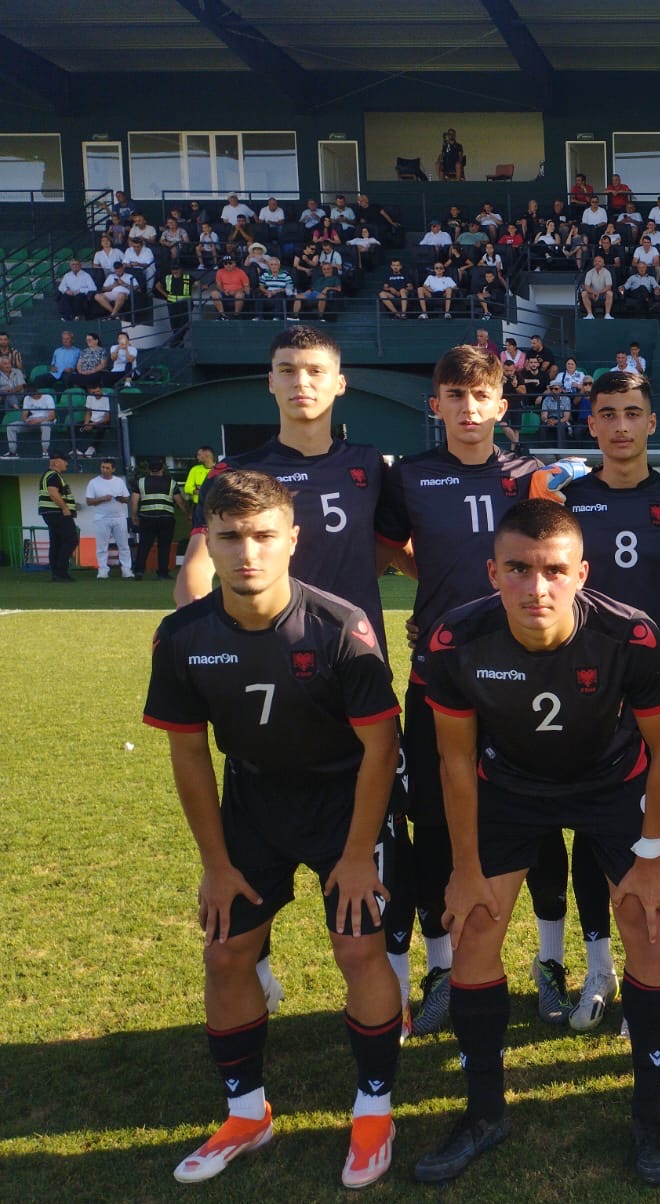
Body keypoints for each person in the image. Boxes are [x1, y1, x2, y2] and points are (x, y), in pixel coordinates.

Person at [413, 500, 660, 1186]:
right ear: (493, 571)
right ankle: (484, 1113)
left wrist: (652, 860)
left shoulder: (630, 635)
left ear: (581, 573)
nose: (537, 588)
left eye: (554, 570)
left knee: (648, 930)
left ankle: (650, 1111)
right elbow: (454, 760)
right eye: (518, 569)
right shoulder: (456, 639)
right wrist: (466, 868)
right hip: (508, 786)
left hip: (612, 783)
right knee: (476, 930)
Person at [144, 470, 403, 1188]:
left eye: (262, 536)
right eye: (229, 538)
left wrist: (357, 857)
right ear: (209, 544)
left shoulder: (338, 627)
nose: (246, 552)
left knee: (357, 949)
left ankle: (375, 1110)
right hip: (253, 802)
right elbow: (190, 753)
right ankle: (246, 1114)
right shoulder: (183, 636)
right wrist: (216, 863)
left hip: (343, 801)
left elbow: (381, 748)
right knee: (226, 954)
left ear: (292, 540)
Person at [177, 326, 410, 1014]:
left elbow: (396, 554)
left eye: (315, 371)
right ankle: (261, 964)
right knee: (257, 822)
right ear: (270, 383)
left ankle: (386, 980)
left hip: (352, 678)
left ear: (339, 384)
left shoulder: (371, 465)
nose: (301, 383)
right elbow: (194, 572)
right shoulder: (236, 474)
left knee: (375, 841)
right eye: (288, 370)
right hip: (263, 685)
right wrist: (199, 640)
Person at [374, 346, 586, 1041]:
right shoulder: (410, 477)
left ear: (502, 405)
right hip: (440, 674)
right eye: (454, 397)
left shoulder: (533, 479)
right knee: (435, 822)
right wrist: (432, 586)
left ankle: (549, 962)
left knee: (542, 814)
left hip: (526, 676)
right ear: (436, 406)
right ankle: (441, 968)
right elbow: (387, 552)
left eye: (481, 396)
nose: (468, 410)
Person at [558, 370, 660, 1033]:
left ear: (652, 423)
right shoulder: (568, 501)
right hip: (587, 693)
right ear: (590, 424)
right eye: (607, 414)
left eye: (632, 413)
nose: (620, 425)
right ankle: (599, 968)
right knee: (593, 830)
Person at [82, 457, 135, 579]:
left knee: (123, 545)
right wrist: (102, 498)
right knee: (102, 546)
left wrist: (119, 498)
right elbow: (89, 501)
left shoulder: (119, 481)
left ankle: (126, 569)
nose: (104, 470)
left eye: (107, 468)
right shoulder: (93, 482)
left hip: (119, 517)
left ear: (113, 469)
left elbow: (127, 499)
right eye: (102, 467)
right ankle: (103, 570)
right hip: (101, 517)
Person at [131, 457, 180, 580]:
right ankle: (162, 573)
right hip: (166, 518)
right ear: (162, 469)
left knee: (144, 545)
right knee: (164, 546)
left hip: (147, 518)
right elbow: (179, 500)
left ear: (149, 470)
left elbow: (134, 500)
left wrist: (134, 516)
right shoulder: (171, 483)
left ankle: (139, 571)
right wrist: (189, 513)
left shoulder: (140, 482)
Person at [38, 451, 78, 581]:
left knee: (57, 542)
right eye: (65, 460)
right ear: (56, 462)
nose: (67, 463)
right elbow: (53, 493)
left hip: (51, 513)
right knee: (71, 540)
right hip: (57, 513)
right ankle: (61, 571)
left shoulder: (49, 475)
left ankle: (56, 573)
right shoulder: (53, 476)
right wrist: (65, 508)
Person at [156, 259, 196, 345]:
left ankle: (175, 342)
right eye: (173, 269)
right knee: (174, 326)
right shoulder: (168, 278)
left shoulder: (188, 277)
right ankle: (178, 343)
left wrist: (203, 286)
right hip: (172, 305)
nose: (175, 271)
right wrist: (166, 295)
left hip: (185, 305)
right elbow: (157, 286)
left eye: (177, 269)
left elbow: (198, 284)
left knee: (184, 325)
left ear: (181, 269)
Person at [8, 388, 54, 457]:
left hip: (45, 421)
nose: (33, 396)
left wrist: (38, 420)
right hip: (32, 422)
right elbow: (24, 415)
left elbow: (52, 417)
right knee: (11, 426)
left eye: (34, 394)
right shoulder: (27, 398)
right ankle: (12, 452)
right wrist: (26, 421)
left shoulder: (48, 397)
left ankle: (45, 452)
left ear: (38, 390)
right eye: (31, 395)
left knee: (45, 424)